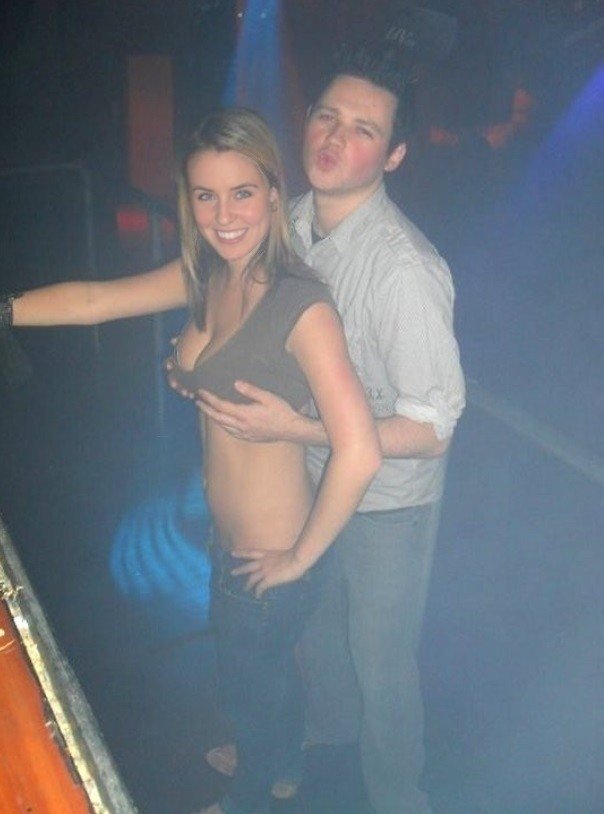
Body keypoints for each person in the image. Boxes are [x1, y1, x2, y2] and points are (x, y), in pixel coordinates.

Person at [4, 107, 382, 814]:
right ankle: (280, 761)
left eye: (242, 192)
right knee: (262, 675)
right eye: (205, 195)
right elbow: (94, 300)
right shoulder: (208, 276)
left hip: (269, 555)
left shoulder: (302, 306)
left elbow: (359, 449)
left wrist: (299, 558)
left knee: (245, 682)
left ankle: (253, 794)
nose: (223, 215)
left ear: (274, 193)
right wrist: (3, 309)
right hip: (228, 539)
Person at [189, 46, 466, 814]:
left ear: (395, 155)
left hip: (388, 500)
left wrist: (300, 428)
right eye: (326, 117)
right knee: (317, 628)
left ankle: (400, 794)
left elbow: (433, 427)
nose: (335, 139)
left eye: (364, 129)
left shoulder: (405, 271)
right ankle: (318, 735)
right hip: (312, 476)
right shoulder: (291, 223)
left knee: (381, 660)